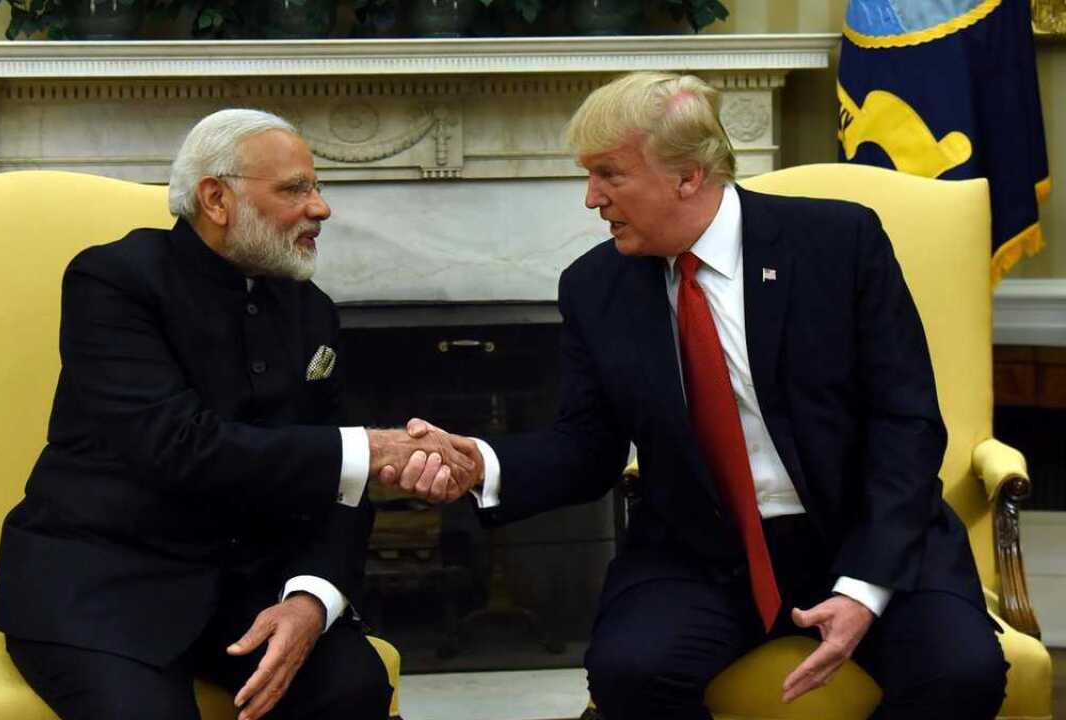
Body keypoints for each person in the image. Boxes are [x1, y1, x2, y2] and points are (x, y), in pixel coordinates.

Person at [385, 72, 1007, 719]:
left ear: (688, 176)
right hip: (703, 551)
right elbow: (584, 448)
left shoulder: (839, 244)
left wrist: (862, 588)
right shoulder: (595, 287)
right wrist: (478, 466)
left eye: (609, 174)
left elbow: (905, 426)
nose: (591, 198)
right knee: (632, 673)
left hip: (862, 530)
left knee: (960, 674)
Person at [0, 108, 473, 720]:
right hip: (103, 585)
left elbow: (341, 490)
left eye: (317, 186)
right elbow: (178, 445)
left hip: (249, 588)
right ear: (216, 199)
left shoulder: (311, 310)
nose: (320, 208)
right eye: (296, 189)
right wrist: (375, 449)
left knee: (352, 687)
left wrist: (310, 598)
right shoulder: (113, 282)